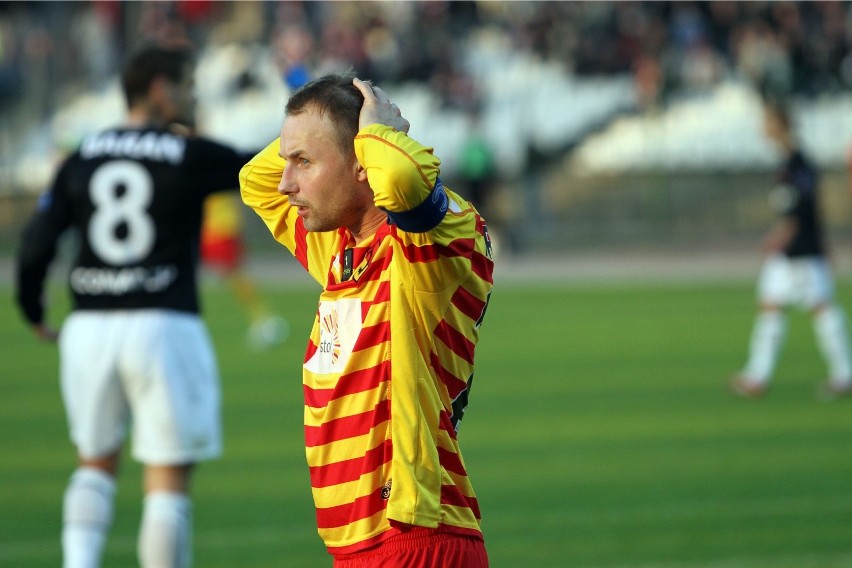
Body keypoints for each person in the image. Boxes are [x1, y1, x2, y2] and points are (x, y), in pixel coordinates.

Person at [240, 74, 494, 566]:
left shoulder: (425, 252)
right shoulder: (340, 251)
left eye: (304, 163)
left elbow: (400, 179)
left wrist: (376, 132)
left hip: (416, 536)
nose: (286, 182)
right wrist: (322, 127)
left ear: (362, 164)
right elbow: (255, 182)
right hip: (358, 549)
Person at [15, 44, 253, 567]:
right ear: (160, 90)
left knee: (94, 463)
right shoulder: (188, 154)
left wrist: (34, 312)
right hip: (163, 323)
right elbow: (258, 168)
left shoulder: (80, 155)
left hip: (89, 327)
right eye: (187, 85)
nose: (192, 96)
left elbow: (36, 245)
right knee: (167, 479)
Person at [730, 100, 852, 400]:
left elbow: (798, 210)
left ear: (779, 125)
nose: (763, 129)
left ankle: (843, 373)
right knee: (776, 304)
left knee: (819, 306)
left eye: (767, 123)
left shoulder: (794, 165)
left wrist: (780, 236)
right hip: (800, 247)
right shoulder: (797, 163)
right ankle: (757, 375)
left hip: (798, 249)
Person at [200, 190, 289, 350]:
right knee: (232, 276)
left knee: (234, 275)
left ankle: (264, 318)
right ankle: (262, 317)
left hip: (220, 229)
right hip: (216, 229)